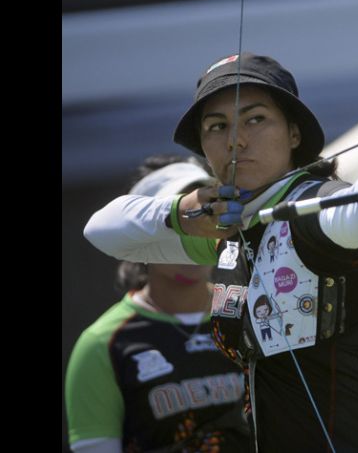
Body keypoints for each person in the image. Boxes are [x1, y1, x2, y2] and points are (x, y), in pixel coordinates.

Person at [84, 52, 358, 452]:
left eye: (256, 119)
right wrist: (184, 213)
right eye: (216, 126)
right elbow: (101, 230)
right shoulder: (229, 233)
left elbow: (357, 209)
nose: (235, 139)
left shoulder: (317, 210)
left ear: (294, 134)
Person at [67, 155, 254, 453]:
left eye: (208, 215)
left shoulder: (251, 309)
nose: (196, 231)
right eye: (182, 221)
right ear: (139, 236)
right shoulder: (102, 344)